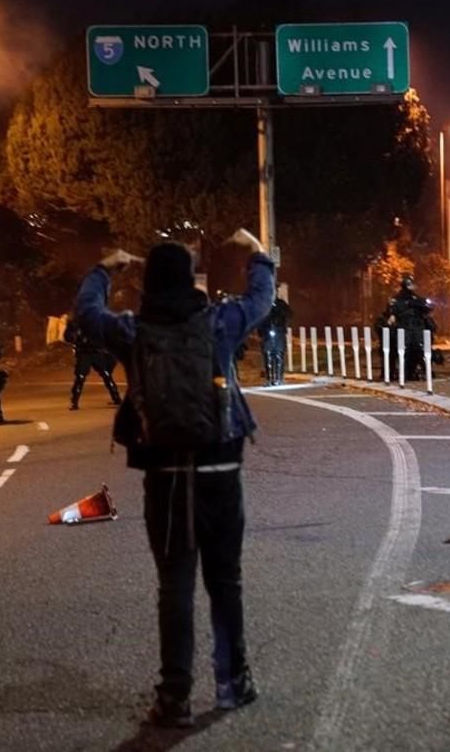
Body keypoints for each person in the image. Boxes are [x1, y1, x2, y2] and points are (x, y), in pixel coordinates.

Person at [75, 230, 274, 727]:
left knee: (175, 585)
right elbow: (262, 298)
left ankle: (175, 696)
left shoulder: (132, 331)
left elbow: (87, 313)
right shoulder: (219, 323)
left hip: (165, 476)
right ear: (191, 281)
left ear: (148, 284)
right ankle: (233, 683)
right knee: (225, 580)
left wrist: (105, 268)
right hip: (221, 471)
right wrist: (255, 254)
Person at [64, 318, 122, 410]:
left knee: (106, 374)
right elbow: (67, 337)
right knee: (80, 377)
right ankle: (74, 402)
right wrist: (75, 335)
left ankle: (117, 398)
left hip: (96, 352)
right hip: (84, 353)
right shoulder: (75, 321)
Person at [388, 275, 433, 381]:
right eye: (411, 284)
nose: (413, 286)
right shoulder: (397, 299)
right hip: (405, 327)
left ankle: (422, 371)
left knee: (419, 349)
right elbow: (392, 313)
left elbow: (427, 308)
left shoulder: (416, 299)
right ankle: (404, 373)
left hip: (415, 327)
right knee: (405, 350)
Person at [258, 289, 292, 386]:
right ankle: (269, 379)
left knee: (279, 356)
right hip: (267, 333)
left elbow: (290, 314)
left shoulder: (281, 304)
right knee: (267, 356)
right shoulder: (264, 304)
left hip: (279, 332)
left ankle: (279, 378)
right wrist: (261, 331)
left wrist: (281, 312)